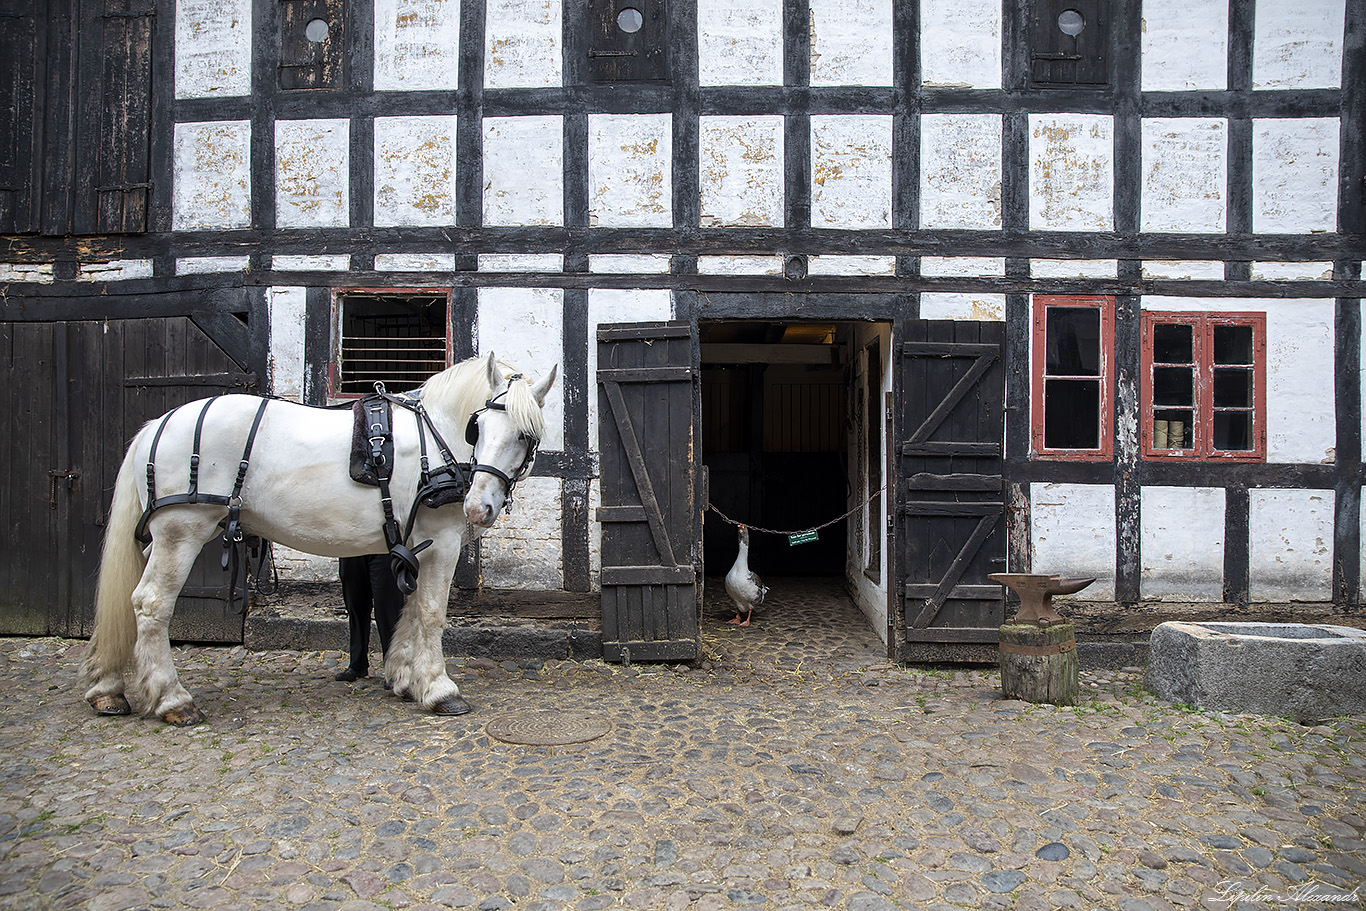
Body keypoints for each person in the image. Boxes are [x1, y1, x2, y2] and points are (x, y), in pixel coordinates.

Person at [334, 554, 404, 682]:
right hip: (351, 545)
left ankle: (394, 670)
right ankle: (357, 664)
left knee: (388, 608)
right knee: (355, 605)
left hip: (383, 547)